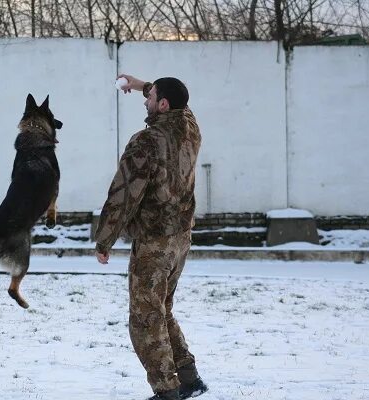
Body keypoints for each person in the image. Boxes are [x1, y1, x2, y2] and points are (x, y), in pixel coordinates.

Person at [95, 74, 208, 400]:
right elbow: (178, 100)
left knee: (145, 318)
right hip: (181, 238)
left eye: (150, 96)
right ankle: (188, 378)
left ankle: (167, 391)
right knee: (161, 310)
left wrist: (105, 239)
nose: (145, 101)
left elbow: (123, 194)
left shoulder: (146, 141)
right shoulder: (190, 128)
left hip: (155, 243)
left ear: (162, 105)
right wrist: (139, 83)